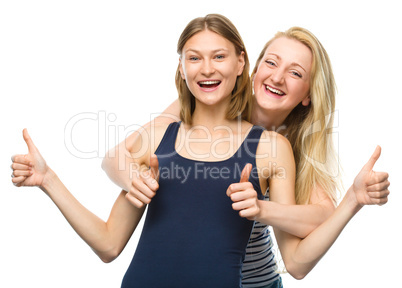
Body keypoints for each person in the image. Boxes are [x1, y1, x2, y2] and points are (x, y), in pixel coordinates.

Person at [11, 14, 296, 288]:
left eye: (219, 56)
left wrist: (333, 208)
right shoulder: (156, 138)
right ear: (182, 68)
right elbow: (109, 244)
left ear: (240, 62)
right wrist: (48, 179)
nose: (207, 68)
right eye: (194, 58)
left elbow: (294, 257)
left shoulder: (271, 149)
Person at [101, 22, 390, 287]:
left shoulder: (289, 151)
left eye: (295, 72)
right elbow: (118, 155)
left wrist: (350, 200)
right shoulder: (206, 101)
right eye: (271, 62)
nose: (277, 77)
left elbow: (301, 257)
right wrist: (134, 181)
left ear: (308, 94)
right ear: (251, 69)